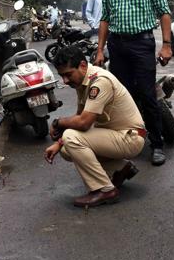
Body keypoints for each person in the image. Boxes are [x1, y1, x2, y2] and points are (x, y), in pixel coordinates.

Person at [93, 0, 173, 166]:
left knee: (148, 94)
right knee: (122, 97)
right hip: (117, 46)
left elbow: (164, 12)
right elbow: (105, 19)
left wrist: (166, 44)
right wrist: (100, 50)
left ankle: (157, 144)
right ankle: (127, 141)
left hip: (142, 44)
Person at [44, 45, 146, 208]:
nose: (65, 81)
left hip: (130, 138)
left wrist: (58, 122)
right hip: (115, 134)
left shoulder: (99, 81)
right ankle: (121, 168)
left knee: (70, 136)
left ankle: (104, 190)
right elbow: (80, 116)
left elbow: (83, 123)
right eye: (62, 76)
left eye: (68, 74)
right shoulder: (82, 82)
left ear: (83, 65)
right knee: (65, 148)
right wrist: (58, 143)